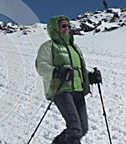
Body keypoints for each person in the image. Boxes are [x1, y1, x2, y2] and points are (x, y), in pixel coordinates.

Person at [35, 15, 102, 144]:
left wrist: (90, 76)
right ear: (55, 28)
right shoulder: (49, 46)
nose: (67, 28)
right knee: (75, 129)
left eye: (69, 26)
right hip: (61, 90)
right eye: (63, 26)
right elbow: (40, 66)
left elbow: (79, 69)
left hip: (78, 90)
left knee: (83, 129)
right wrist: (56, 71)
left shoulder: (74, 47)